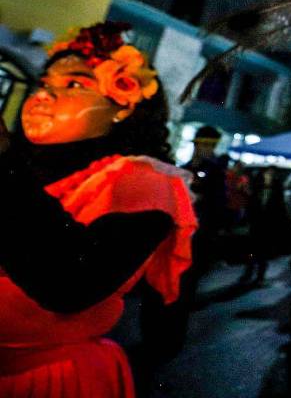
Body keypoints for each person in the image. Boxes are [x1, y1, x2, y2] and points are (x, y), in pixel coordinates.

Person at [0, 22, 197, 397]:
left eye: (74, 85)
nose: (43, 96)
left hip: (46, 380)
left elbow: (70, 284)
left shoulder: (142, 182)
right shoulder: (22, 169)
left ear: (122, 107)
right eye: (43, 84)